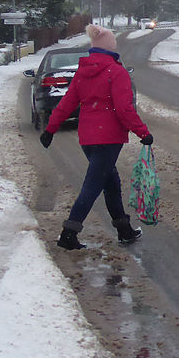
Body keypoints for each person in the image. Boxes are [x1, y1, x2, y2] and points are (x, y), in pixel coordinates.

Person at [38, 24, 153, 250]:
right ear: (110, 47)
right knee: (92, 186)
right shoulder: (117, 72)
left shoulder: (83, 72)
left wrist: (50, 129)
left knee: (110, 183)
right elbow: (124, 109)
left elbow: (67, 103)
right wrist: (143, 132)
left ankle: (124, 229)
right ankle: (69, 234)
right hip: (109, 139)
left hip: (88, 139)